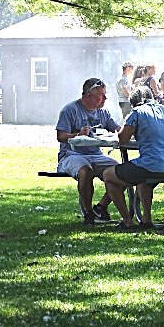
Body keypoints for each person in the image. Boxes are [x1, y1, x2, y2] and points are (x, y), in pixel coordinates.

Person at [103, 87, 164, 229]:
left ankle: (127, 220)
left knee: (108, 174)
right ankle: (146, 219)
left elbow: (122, 139)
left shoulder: (137, 112)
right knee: (142, 180)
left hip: (151, 165)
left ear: (134, 102)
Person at [56, 78, 121, 225]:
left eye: (105, 94)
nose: (105, 98)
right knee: (85, 171)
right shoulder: (70, 110)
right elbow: (61, 136)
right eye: (101, 95)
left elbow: (117, 129)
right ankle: (88, 213)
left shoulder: (103, 112)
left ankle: (101, 207)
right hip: (72, 155)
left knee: (122, 172)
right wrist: (77, 135)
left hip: (96, 155)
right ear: (88, 96)